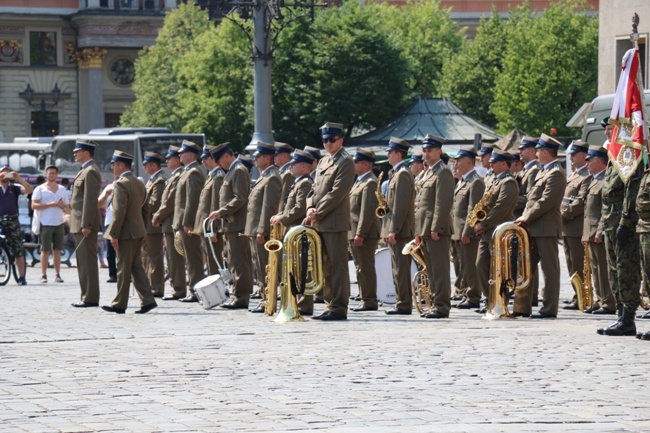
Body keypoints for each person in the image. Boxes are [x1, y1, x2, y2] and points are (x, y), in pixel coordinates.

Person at [303, 122, 355, 321]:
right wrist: (309, 207)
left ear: (340, 140)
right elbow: (313, 190)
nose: (328, 144)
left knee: (337, 265)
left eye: (332, 140)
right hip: (320, 221)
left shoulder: (345, 161)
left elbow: (338, 193)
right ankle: (329, 304)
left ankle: (339, 306)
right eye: (324, 141)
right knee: (324, 265)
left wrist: (317, 211)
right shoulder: (324, 162)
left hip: (334, 222)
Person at [515, 134, 566, 319]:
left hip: (546, 227)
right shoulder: (544, 171)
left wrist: (525, 217)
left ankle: (549, 308)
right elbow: (532, 198)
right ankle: (522, 306)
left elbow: (545, 201)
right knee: (526, 266)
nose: (536, 153)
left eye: (538, 150)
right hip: (534, 226)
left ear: (545, 152)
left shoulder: (556, 173)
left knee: (549, 269)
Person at [597, 130, 642, 337]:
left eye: (612, 128)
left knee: (626, 270)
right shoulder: (614, 159)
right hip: (609, 222)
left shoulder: (629, 158)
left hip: (623, 224)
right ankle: (621, 314)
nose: (607, 132)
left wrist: (625, 222)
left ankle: (628, 317)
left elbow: (631, 193)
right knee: (613, 270)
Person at [101, 151, 157, 314]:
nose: (112, 168)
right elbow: (145, 208)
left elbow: (119, 212)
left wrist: (114, 234)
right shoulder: (139, 182)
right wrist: (142, 227)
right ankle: (147, 300)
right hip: (137, 231)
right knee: (136, 267)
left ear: (120, 165)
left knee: (123, 267)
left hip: (126, 233)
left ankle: (120, 303)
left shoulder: (121, 183)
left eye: (114, 165)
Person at [473, 149, 520, 314]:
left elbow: (500, 208)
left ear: (504, 164)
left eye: (494, 161)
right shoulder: (493, 179)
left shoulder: (508, 182)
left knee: (501, 269)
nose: (490, 164)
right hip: (487, 232)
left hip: (499, 231)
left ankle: (501, 301)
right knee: (480, 265)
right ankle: (490, 299)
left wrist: (483, 223)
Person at [270, 149, 315, 315]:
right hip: (292, 230)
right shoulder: (298, 182)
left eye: (294, 164)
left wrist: (282, 217)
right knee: (293, 267)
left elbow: (299, 208)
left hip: (299, 230)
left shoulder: (305, 183)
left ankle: (304, 304)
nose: (291, 167)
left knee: (302, 268)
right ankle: (295, 301)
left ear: (303, 167)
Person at [415, 134, 454, 319]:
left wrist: (436, 227)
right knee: (430, 270)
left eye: (429, 150)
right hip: (424, 228)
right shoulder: (428, 172)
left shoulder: (443, 172)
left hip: (435, 229)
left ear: (439, 151)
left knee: (439, 270)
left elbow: (443, 203)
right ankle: (434, 303)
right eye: (424, 150)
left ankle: (442, 306)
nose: (426, 154)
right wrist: (419, 231)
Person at [209, 144, 253, 309]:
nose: (219, 164)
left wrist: (221, 211)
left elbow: (240, 197)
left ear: (227, 156)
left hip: (237, 224)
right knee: (233, 261)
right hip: (231, 224)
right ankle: (237, 294)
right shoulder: (232, 172)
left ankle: (241, 297)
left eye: (220, 160)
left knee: (239, 261)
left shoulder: (239, 170)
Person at [246, 142, 282, 313]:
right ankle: (264, 298)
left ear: (267, 158)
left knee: (264, 266)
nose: (255, 158)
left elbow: (269, 207)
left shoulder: (272, 177)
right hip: (254, 229)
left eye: (258, 156)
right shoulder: (264, 176)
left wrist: (262, 229)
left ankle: (269, 300)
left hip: (261, 230)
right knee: (259, 266)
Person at [381, 137, 415, 316]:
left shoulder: (402, 173)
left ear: (398, 154)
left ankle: (403, 304)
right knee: (397, 268)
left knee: (401, 269)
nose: (387, 155)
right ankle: (401, 301)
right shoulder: (396, 172)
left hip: (401, 230)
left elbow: (400, 206)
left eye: (390, 152)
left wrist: (393, 229)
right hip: (396, 228)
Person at [582, 146, 616, 315]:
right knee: (595, 268)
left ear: (600, 161)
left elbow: (605, 209)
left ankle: (609, 302)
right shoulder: (594, 180)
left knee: (603, 268)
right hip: (590, 231)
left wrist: (600, 230)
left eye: (590, 160)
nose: (586, 163)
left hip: (598, 232)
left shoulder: (605, 181)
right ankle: (601, 299)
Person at [450, 146, 484, 309]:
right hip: (457, 230)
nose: (456, 164)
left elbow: (473, 210)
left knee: (470, 265)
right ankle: (465, 293)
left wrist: (467, 231)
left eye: (459, 160)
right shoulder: (463, 180)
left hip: (466, 231)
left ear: (469, 162)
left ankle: (473, 296)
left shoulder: (475, 181)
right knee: (462, 265)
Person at [69, 139, 102, 308]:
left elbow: (90, 200)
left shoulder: (90, 171)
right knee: (82, 261)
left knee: (87, 261)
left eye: (78, 151)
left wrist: (87, 224)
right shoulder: (84, 170)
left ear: (86, 153)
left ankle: (90, 297)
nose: (75, 153)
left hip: (85, 224)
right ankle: (86, 295)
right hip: (79, 222)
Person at [152, 146, 187, 300]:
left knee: (175, 258)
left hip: (173, 221)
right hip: (168, 222)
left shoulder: (179, 175)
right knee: (172, 258)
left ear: (178, 160)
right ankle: (176, 287)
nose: (166, 161)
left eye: (169, 158)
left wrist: (157, 216)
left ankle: (179, 289)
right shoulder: (173, 176)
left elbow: (170, 201)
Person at [173, 140, 206, 303]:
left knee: (193, 259)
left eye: (182, 152)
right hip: (183, 221)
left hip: (189, 222)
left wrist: (188, 222)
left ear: (191, 155)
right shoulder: (188, 171)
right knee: (190, 258)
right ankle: (194, 289)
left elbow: (192, 200)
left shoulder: (193, 172)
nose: (179, 155)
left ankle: (196, 291)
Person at [348, 148, 381, 312]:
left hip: (364, 233)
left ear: (365, 164)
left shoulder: (370, 182)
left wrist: (360, 233)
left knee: (365, 268)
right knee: (360, 267)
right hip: (355, 231)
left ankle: (369, 300)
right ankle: (364, 298)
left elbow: (367, 211)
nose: (353, 164)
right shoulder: (360, 181)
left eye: (356, 161)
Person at [561, 141, 591, 310]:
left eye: (574, 154)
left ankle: (583, 296)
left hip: (576, 227)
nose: (571, 158)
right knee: (571, 264)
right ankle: (576, 295)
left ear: (584, 155)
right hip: (567, 227)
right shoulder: (572, 176)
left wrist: (562, 214)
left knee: (579, 264)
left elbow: (579, 202)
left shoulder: (586, 176)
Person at [31, 165, 69, 284]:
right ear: (46, 175)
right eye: (49, 173)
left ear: (57, 175)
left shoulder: (62, 189)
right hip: (45, 222)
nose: (51, 175)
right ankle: (44, 275)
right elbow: (33, 206)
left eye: (53, 173)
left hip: (59, 222)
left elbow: (67, 207)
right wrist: (49, 204)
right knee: (45, 250)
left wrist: (62, 206)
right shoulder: (40, 189)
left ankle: (58, 274)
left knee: (57, 250)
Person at [194, 145, 226, 276]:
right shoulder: (211, 176)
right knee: (210, 260)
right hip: (207, 226)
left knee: (214, 262)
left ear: (213, 158)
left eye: (206, 158)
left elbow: (216, 204)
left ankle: (218, 293)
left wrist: (214, 229)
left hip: (211, 227)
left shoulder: (218, 177)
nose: (203, 162)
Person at [0, 166, 32, 285]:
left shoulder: (15, 188)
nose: (5, 176)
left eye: (7, 174)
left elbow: (29, 190)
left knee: (18, 247)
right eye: (3, 173)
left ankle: (22, 277)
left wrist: (18, 178)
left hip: (12, 219)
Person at [141, 152, 167, 298]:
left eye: (146, 164)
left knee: (155, 259)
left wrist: (137, 203)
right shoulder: (152, 180)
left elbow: (154, 203)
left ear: (153, 165)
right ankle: (150, 285)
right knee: (146, 258)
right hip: (146, 225)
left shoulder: (159, 181)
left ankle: (156, 288)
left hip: (153, 225)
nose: (144, 167)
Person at [98, 182, 117, 282]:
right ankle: (113, 274)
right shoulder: (109, 187)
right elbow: (98, 204)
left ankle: (126, 274)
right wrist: (106, 195)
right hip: (109, 221)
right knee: (110, 251)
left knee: (124, 250)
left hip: (125, 222)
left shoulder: (130, 185)